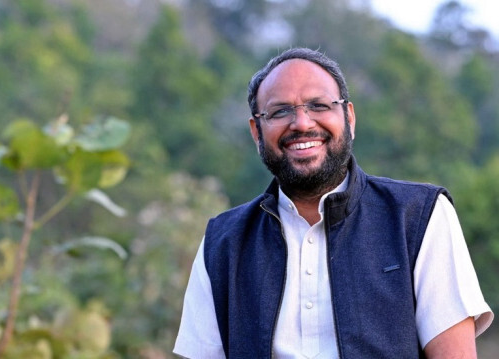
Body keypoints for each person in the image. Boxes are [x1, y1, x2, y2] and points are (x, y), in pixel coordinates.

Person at [173, 47, 493, 358]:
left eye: (319, 105)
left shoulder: (419, 216)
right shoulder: (223, 243)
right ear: (257, 130)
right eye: (280, 111)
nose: (301, 123)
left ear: (349, 117)